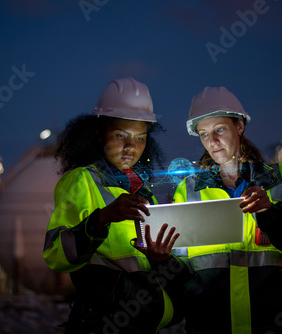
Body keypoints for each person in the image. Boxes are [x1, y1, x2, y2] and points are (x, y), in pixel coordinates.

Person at [43, 77, 188, 333]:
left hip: (143, 324)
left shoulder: (144, 193)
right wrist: (102, 219)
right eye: (120, 135)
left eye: (140, 138)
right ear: (99, 134)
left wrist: (161, 259)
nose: (131, 147)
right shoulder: (82, 182)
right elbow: (56, 255)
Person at [173, 86, 282, 334]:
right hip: (209, 324)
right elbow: (179, 263)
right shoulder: (187, 190)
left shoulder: (280, 180)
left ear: (239, 126)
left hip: (272, 322)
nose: (212, 141)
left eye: (219, 129)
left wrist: (272, 215)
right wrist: (158, 255)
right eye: (203, 134)